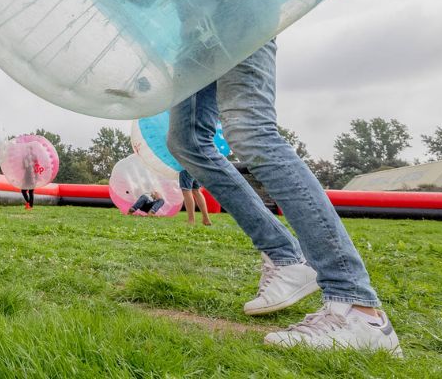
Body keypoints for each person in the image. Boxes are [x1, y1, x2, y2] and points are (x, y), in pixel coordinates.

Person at [166, 41, 402, 356]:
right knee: (188, 142)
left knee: (251, 131)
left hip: (237, 6)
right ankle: (285, 259)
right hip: (194, 33)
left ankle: (359, 312)